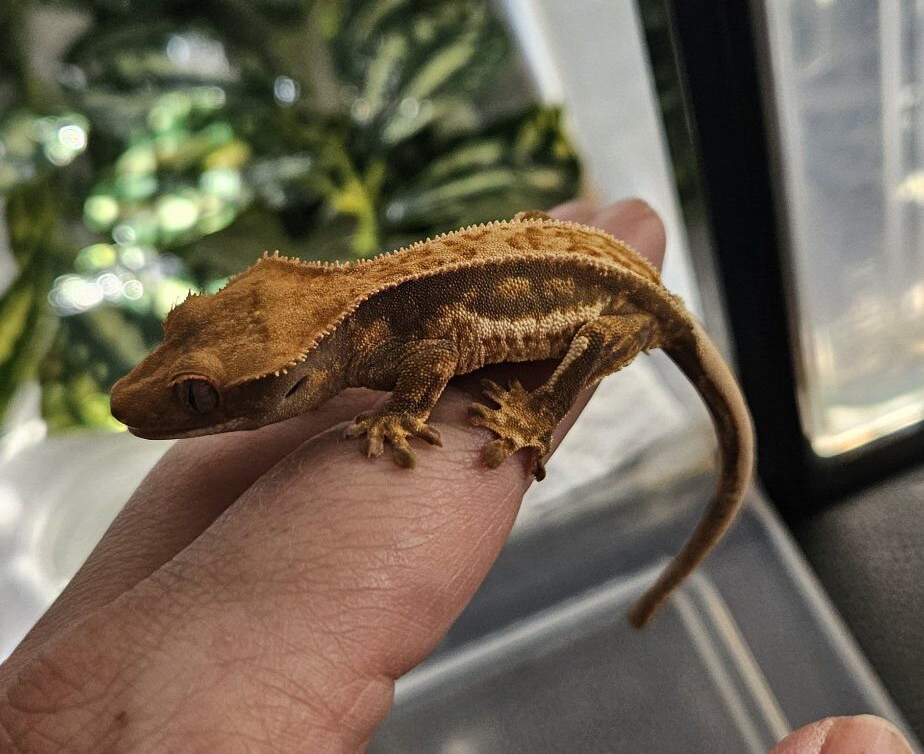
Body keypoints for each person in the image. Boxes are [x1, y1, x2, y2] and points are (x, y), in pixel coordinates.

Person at [0, 201, 913, 753]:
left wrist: (467, 413)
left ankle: (544, 422)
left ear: (303, 375)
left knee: (584, 352)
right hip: (577, 266)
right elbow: (444, 340)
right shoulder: (356, 334)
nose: (144, 400)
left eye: (199, 398)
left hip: (615, 305)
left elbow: (448, 348)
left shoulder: (383, 341)